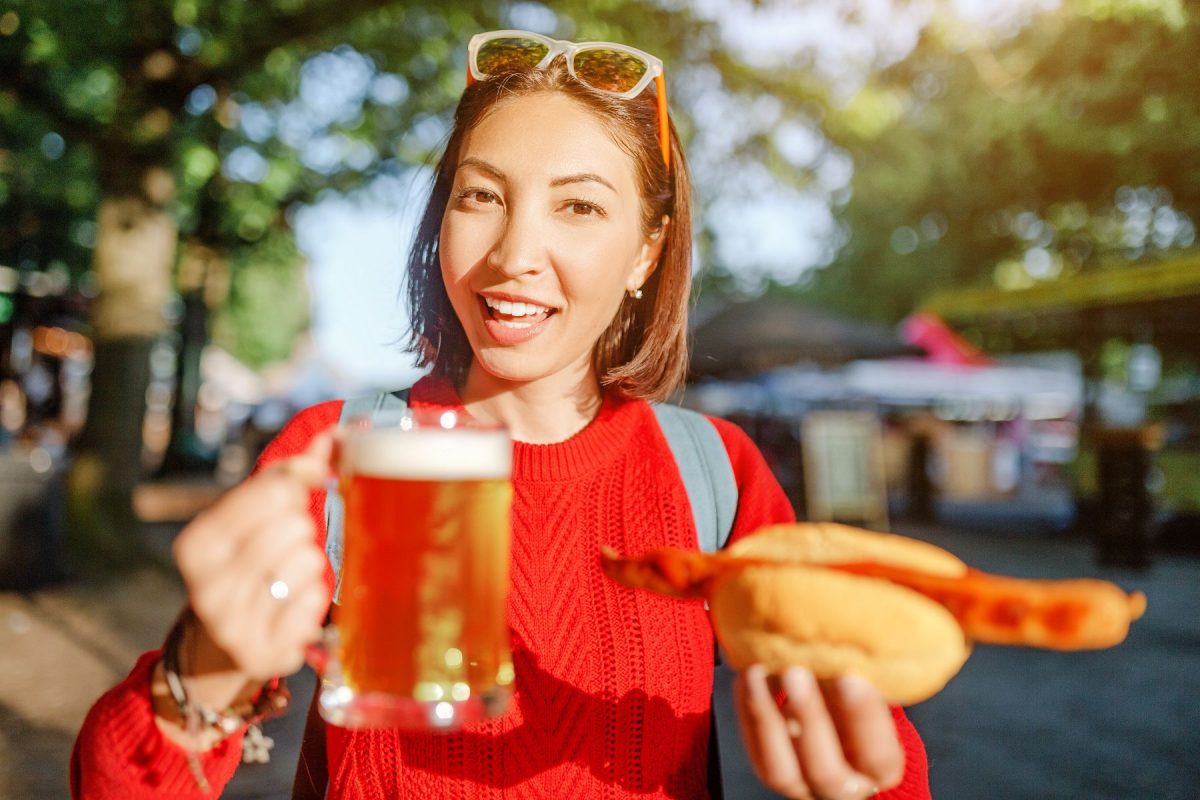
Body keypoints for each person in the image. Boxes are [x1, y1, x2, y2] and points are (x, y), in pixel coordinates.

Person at [72, 30, 931, 800]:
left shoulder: (717, 474)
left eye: (580, 206)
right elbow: (123, 781)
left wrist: (858, 772)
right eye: (480, 196)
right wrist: (205, 669)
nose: (515, 256)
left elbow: (875, 751)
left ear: (646, 250)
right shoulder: (344, 454)